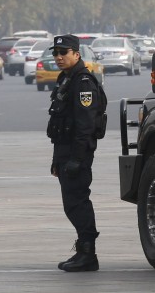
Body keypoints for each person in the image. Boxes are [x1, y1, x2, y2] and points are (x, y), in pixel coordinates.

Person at [47, 34, 104, 272]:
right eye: (56, 53)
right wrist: (56, 160)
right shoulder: (66, 79)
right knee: (71, 202)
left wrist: (77, 159)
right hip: (64, 151)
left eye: (64, 53)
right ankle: (83, 250)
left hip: (76, 152)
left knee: (77, 202)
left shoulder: (83, 83)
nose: (59, 57)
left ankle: (88, 253)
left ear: (76, 54)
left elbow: (85, 125)